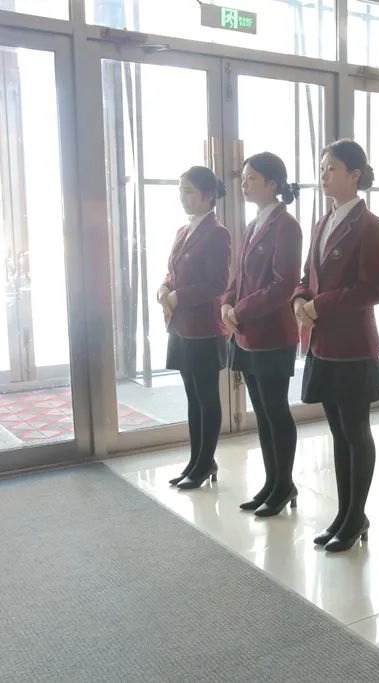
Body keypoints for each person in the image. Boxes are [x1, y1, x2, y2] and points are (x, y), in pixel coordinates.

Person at [293, 139, 379, 553]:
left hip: (352, 346)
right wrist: (299, 299)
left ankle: (356, 515)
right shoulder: (322, 222)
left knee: (355, 431)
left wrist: (318, 305)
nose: (324, 174)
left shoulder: (370, 226)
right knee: (337, 431)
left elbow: (373, 289)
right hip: (322, 343)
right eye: (322, 167)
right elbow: (307, 277)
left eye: (332, 168)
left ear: (355, 175)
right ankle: (346, 512)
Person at [222, 152, 302, 517]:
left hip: (272, 334)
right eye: (243, 177)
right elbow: (239, 276)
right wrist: (226, 303)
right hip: (246, 333)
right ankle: (273, 482)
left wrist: (239, 310)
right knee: (263, 413)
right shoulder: (254, 223)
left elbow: (283, 285)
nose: (244, 183)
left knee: (275, 411)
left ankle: (284, 484)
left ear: (272, 183)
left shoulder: (286, 226)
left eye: (251, 178)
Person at [160, 166, 232, 490]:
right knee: (192, 397)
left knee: (206, 396)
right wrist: (164, 288)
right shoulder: (183, 230)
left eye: (188, 191)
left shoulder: (218, 233)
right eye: (181, 191)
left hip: (204, 327)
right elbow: (172, 273)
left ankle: (205, 462)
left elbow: (218, 284)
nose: (182, 197)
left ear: (207, 196)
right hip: (181, 324)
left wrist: (179, 296)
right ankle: (196, 460)